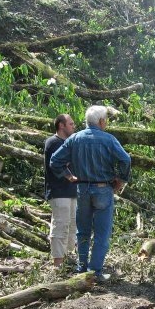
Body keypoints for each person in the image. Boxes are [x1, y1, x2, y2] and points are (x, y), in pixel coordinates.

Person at [50, 106, 131, 281]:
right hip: (103, 189)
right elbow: (126, 159)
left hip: (82, 189)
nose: (106, 123)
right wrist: (120, 180)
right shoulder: (109, 139)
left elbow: (55, 160)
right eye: (106, 120)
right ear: (101, 121)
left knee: (83, 231)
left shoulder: (75, 139)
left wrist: (68, 175)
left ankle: (82, 269)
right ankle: (94, 272)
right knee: (102, 233)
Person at [44, 114, 77, 267]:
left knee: (72, 226)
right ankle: (58, 264)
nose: (73, 126)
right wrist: (69, 175)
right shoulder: (53, 143)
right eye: (70, 124)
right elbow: (57, 165)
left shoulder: (69, 143)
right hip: (59, 191)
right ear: (61, 126)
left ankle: (68, 259)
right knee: (61, 224)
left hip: (71, 192)